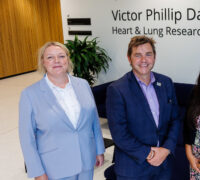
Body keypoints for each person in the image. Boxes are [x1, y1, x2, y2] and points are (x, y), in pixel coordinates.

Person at [19, 42, 105, 180]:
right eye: (50, 57)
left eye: (61, 56)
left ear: (67, 59)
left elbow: (93, 120)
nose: (57, 61)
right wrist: (37, 172)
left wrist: (99, 150)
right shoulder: (30, 94)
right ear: (43, 62)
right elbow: (27, 138)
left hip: (86, 160)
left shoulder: (82, 84)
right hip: (55, 167)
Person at [106, 35, 180, 180]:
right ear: (129, 58)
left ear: (154, 57)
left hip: (163, 166)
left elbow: (175, 119)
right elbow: (119, 134)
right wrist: (150, 154)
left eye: (148, 54)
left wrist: (165, 150)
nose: (143, 60)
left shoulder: (166, 83)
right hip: (133, 168)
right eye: (137, 55)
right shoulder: (117, 89)